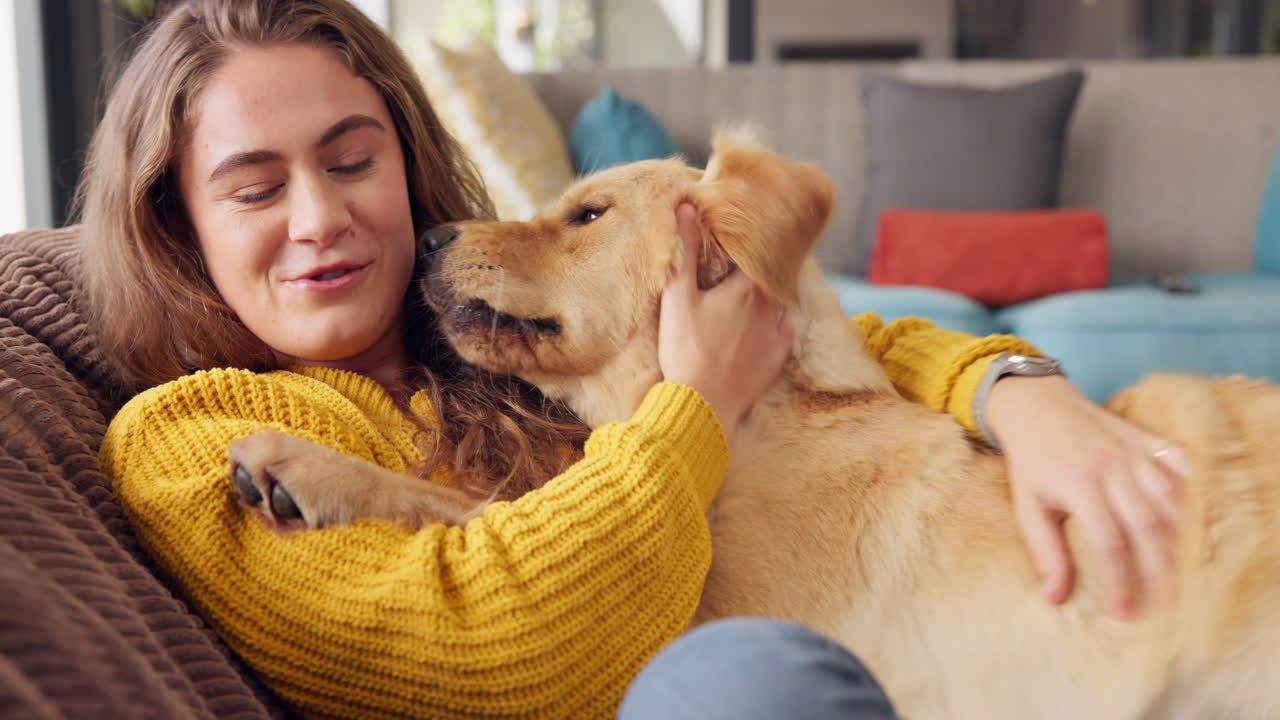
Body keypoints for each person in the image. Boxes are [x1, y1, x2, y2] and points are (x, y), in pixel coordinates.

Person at [82, 1, 1189, 718]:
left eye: (352, 160)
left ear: (403, 165)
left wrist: (1019, 389)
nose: (319, 216)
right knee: (751, 685)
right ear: (180, 225)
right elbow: (496, 646)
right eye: (256, 188)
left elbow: (854, 343)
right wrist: (696, 401)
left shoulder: (504, 349)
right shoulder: (194, 437)